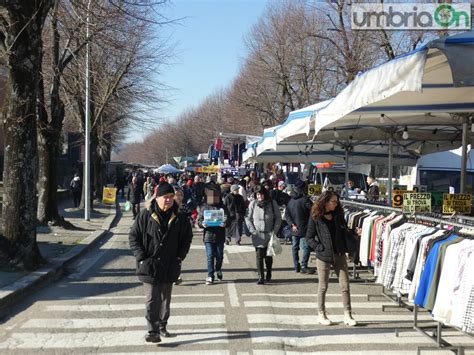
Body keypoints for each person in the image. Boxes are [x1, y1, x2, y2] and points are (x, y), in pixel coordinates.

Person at [128, 182, 193, 343]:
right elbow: (133, 237)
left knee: (165, 298)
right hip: (149, 264)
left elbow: (187, 237)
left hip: (170, 263)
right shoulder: (145, 215)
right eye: (166, 197)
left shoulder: (179, 216)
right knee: (151, 299)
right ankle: (152, 331)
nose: (169, 200)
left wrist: (180, 256)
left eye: (171, 197)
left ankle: (162, 325)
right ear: (157, 198)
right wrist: (141, 257)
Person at [305, 191, 357, 326]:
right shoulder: (316, 217)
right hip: (323, 256)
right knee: (323, 286)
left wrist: (353, 233)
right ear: (325, 202)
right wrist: (319, 248)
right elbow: (309, 237)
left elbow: (344, 230)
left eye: (337, 201)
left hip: (339, 254)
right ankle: (321, 314)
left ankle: (348, 314)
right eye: (333, 201)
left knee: (345, 285)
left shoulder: (339, 215)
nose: (336, 204)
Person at [246, 186, 282, 285]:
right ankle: (260, 276)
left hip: (269, 233)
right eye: (257, 194)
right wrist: (252, 230)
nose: (259, 196)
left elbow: (278, 218)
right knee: (259, 255)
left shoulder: (272, 203)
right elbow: (248, 218)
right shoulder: (253, 203)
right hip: (257, 234)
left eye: (261, 194)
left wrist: (274, 230)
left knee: (268, 255)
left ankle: (269, 272)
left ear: (265, 194)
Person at [198, 185, 230, 285]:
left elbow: (228, 219)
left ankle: (218, 269)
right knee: (210, 255)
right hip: (208, 235)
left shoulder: (223, 207)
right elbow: (199, 220)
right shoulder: (204, 207)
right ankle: (210, 275)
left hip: (220, 235)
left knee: (220, 256)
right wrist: (202, 224)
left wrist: (225, 223)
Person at [285, 182, 314, 274]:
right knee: (306, 247)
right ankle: (304, 265)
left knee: (295, 247)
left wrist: (292, 224)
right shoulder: (306, 200)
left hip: (294, 228)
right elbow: (313, 212)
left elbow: (287, 215)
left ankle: (296, 265)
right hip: (305, 228)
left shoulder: (290, 201)